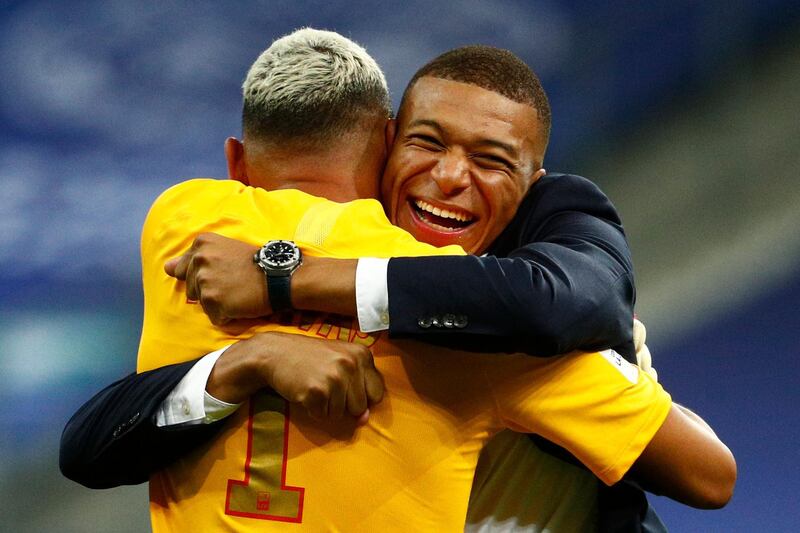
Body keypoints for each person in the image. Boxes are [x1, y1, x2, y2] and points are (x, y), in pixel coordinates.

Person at [60, 30, 733, 531]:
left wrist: (284, 279)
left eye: (491, 159)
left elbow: (549, 303)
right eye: (428, 143)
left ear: (533, 189)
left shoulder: (191, 225)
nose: (447, 177)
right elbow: (89, 444)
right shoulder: (500, 346)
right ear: (386, 144)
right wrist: (250, 359)